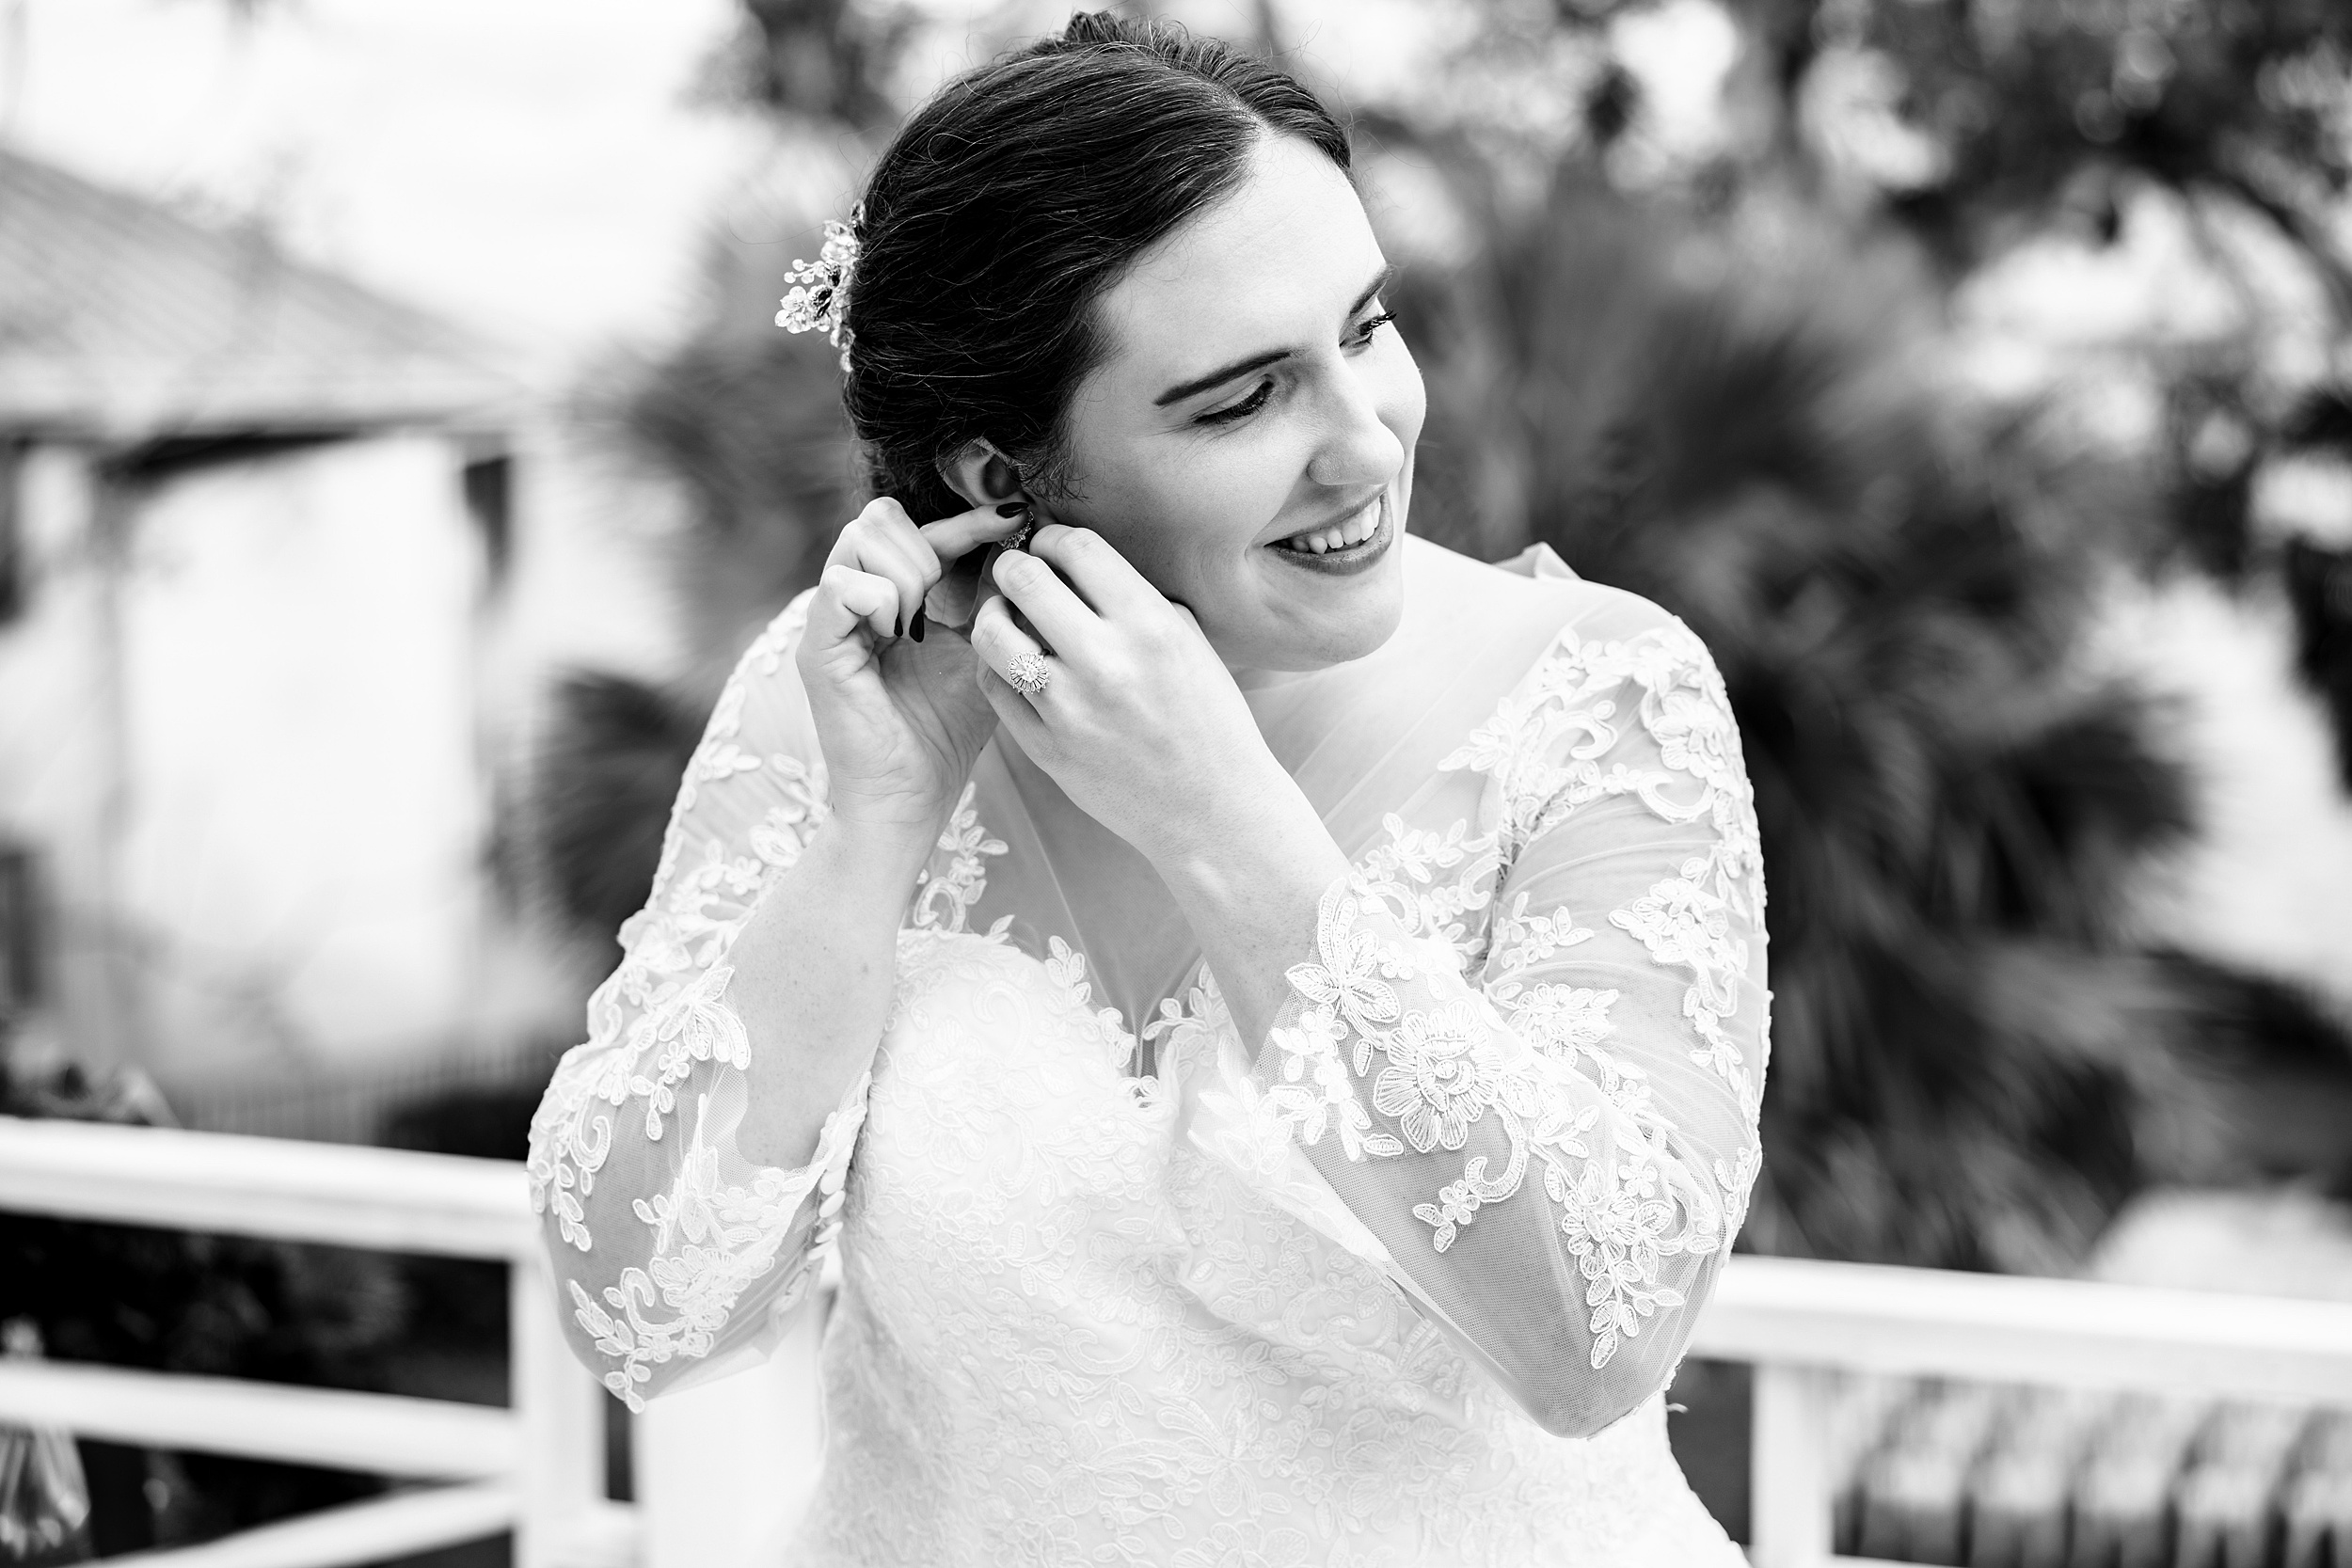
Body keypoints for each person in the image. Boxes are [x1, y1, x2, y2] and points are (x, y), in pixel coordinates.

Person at [528, 14, 1767, 1563]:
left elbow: (1602, 1338)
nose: (1365, 440)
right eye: (1245, 399)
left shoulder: (1600, 697)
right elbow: (636, 1312)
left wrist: (1219, 820)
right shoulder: (844, 693)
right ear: (1001, 479)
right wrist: (868, 831)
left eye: (1368, 328)